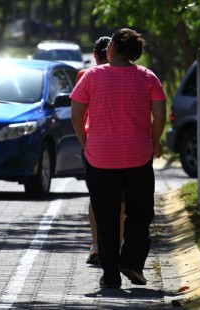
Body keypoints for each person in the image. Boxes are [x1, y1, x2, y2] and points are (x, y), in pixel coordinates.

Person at [70, 28, 167, 289]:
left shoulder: (91, 76)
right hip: (138, 156)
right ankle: (132, 262)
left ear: (111, 48)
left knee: (107, 215)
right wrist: (155, 141)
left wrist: (85, 143)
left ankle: (110, 276)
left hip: (100, 157)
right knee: (141, 213)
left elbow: (76, 114)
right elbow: (159, 115)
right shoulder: (148, 77)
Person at [75, 36, 125, 265]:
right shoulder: (132, 74)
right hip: (125, 145)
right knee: (122, 200)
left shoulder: (85, 76)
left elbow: (77, 114)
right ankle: (118, 245)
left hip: (94, 144)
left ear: (95, 55)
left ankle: (97, 245)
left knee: (97, 198)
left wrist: (84, 142)